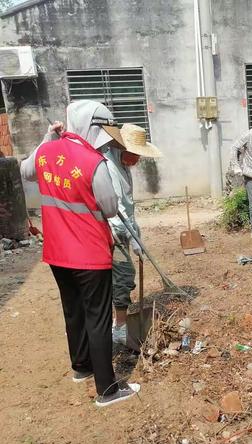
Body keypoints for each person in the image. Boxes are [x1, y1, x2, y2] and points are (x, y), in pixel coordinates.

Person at [20, 100, 140, 407]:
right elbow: (111, 207)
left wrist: (48, 137)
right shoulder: (92, 161)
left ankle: (82, 368)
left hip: (57, 252)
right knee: (97, 318)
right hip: (89, 252)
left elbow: (26, 170)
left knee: (73, 311)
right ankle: (108, 389)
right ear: (93, 127)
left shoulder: (47, 151)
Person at [102, 123, 162, 346]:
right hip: (111, 231)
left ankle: (113, 323)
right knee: (124, 275)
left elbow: (128, 206)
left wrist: (136, 237)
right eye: (136, 154)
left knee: (116, 277)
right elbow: (113, 207)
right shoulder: (108, 165)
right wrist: (126, 234)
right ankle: (118, 328)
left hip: (123, 229)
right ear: (122, 147)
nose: (138, 160)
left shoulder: (122, 165)